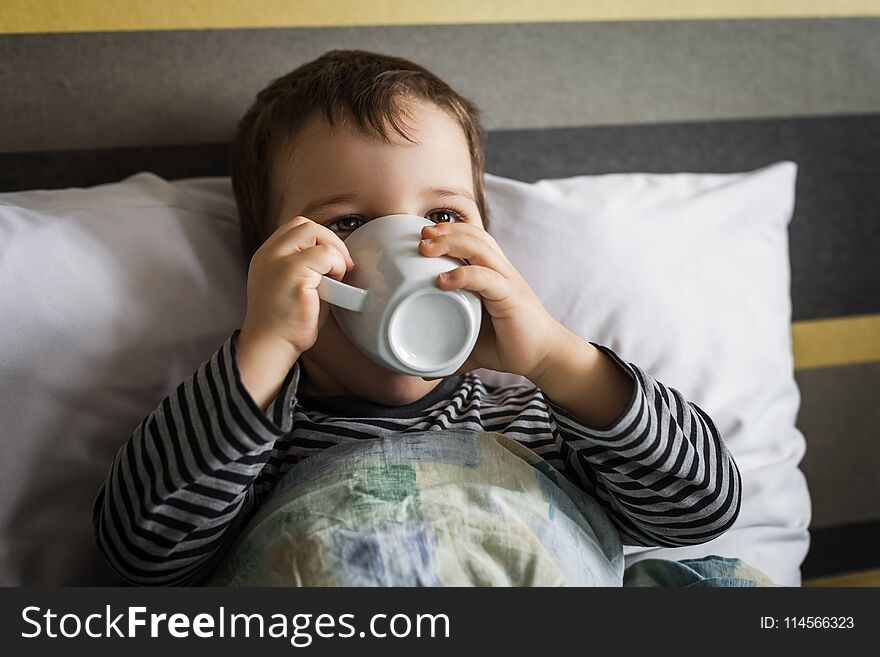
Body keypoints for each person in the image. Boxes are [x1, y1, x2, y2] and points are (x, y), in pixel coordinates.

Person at [93, 50, 741, 585]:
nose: (414, 247)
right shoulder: (251, 445)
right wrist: (261, 351)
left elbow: (702, 507)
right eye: (346, 223)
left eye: (445, 216)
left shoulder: (527, 418)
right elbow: (140, 553)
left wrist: (556, 358)